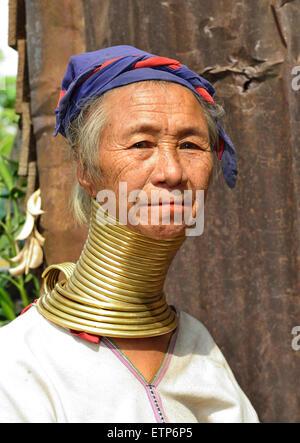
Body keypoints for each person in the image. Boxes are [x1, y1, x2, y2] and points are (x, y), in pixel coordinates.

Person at [0, 45, 259, 423]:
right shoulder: (23, 361)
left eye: (190, 145)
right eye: (141, 144)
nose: (171, 171)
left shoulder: (197, 345)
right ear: (86, 171)